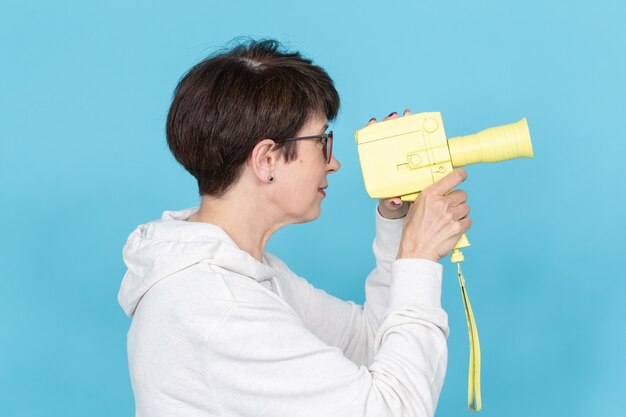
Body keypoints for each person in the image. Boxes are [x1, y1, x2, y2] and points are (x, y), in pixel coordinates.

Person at [118, 38, 471, 417]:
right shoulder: (218, 308)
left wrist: (396, 222)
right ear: (267, 160)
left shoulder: (248, 276)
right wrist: (417, 259)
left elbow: (369, 341)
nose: (332, 163)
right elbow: (393, 410)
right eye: (321, 140)